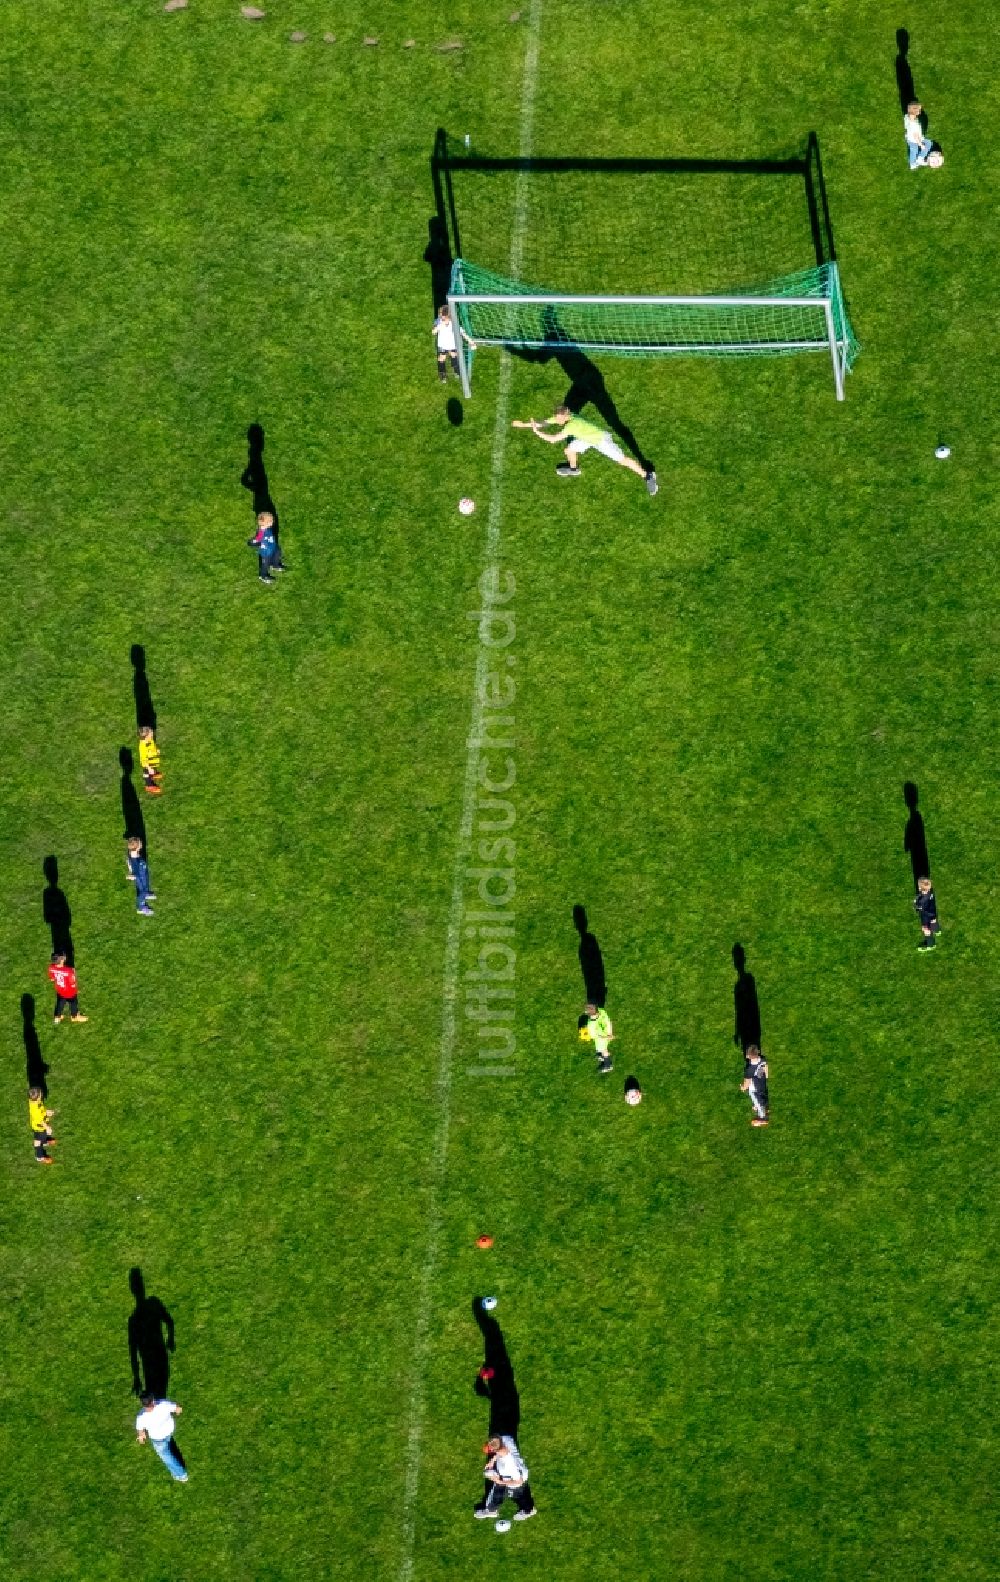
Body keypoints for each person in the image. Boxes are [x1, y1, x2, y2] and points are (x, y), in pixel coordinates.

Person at [513, 407, 657, 494]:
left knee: (623, 461)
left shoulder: (571, 426)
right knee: (569, 450)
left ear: (564, 415)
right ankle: (573, 469)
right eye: (556, 418)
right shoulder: (569, 416)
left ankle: (648, 476)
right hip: (587, 438)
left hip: (601, 440)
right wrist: (524, 425)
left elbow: (552, 439)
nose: (557, 421)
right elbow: (544, 422)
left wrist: (535, 432)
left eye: (558, 419)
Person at [474, 1434, 536, 1521]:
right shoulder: (505, 1439)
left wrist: (501, 1482)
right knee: (499, 1489)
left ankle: (528, 1511)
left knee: (517, 1495)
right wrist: (492, 1461)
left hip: (515, 1478)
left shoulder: (510, 1465)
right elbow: (501, 1451)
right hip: (514, 1472)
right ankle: (492, 1510)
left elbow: (519, 1481)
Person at [135, 1394, 188, 1482]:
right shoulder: (163, 1403)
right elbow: (178, 1409)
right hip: (169, 1431)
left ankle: (181, 1474)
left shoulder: (141, 1416)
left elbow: (141, 1432)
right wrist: (178, 1411)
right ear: (152, 1401)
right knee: (168, 1452)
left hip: (158, 1439)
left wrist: (141, 1438)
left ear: (143, 1404)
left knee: (167, 1458)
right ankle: (176, 1474)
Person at [47, 953, 87, 1024]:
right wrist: (73, 973)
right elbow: (73, 983)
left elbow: (52, 979)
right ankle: (74, 1017)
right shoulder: (69, 970)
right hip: (70, 992)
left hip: (60, 990)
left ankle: (57, 1018)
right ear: (61, 961)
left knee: (60, 1003)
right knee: (73, 1003)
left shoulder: (51, 967)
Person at [580, 1002, 615, 1074]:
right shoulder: (602, 1011)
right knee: (603, 1049)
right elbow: (609, 1022)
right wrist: (610, 1034)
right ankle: (601, 1055)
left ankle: (608, 1065)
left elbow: (596, 1036)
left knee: (603, 1050)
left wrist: (607, 1037)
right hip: (608, 1032)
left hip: (602, 1039)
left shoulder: (591, 1025)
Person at [126, 837, 156, 917]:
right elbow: (134, 871)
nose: (141, 844)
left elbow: (128, 861)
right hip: (140, 878)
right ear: (136, 848)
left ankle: (146, 893)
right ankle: (141, 908)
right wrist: (132, 875)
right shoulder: (134, 859)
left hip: (143, 875)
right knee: (141, 892)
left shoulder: (133, 854)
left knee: (146, 886)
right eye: (140, 843)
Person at [248, 510, 280, 585]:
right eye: (271, 520)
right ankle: (263, 575)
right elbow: (257, 539)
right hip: (266, 551)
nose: (273, 521)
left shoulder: (268, 528)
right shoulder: (261, 532)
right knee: (265, 563)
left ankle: (275, 565)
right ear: (264, 523)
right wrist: (252, 542)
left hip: (272, 546)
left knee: (277, 553)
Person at [741, 1045, 769, 1127]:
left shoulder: (749, 1069)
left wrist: (743, 1088)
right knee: (762, 1094)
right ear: (758, 1053)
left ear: (747, 1056)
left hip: (754, 1088)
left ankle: (762, 1118)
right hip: (762, 1082)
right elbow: (765, 1067)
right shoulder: (763, 1059)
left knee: (757, 1100)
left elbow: (747, 1083)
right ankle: (763, 1106)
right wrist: (766, 1077)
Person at [432, 305, 461, 382]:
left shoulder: (454, 321)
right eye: (440, 314)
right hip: (442, 344)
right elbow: (434, 332)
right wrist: (439, 325)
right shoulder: (438, 321)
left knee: (454, 355)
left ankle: (456, 371)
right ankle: (442, 374)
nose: (441, 316)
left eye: (442, 315)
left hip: (452, 343)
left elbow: (459, 330)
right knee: (442, 357)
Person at [28, 1086, 56, 1164]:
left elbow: (41, 1111)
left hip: (39, 1126)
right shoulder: (35, 1109)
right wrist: (47, 1128)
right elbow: (40, 1121)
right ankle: (39, 1157)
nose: (42, 1094)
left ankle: (44, 1141)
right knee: (38, 1140)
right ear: (37, 1098)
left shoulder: (35, 1101)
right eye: (40, 1094)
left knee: (42, 1136)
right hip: (39, 1127)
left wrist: (46, 1112)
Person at [904, 102, 934, 169]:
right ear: (913, 111)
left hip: (911, 136)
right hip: (913, 140)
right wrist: (921, 145)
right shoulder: (913, 124)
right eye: (918, 110)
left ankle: (920, 158)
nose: (920, 111)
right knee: (914, 151)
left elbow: (906, 126)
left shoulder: (907, 116)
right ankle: (912, 164)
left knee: (928, 143)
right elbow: (915, 136)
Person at [914, 876, 941, 951]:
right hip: (932, 912)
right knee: (933, 920)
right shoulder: (930, 892)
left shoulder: (922, 900)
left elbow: (919, 907)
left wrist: (916, 904)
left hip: (926, 915)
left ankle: (930, 945)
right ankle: (937, 930)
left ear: (920, 889)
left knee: (925, 928)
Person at [138, 725, 163, 796]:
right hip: (148, 764)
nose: (152, 735)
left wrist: (156, 751)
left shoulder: (150, 740)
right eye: (151, 734)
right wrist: (149, 767)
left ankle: (153, 774)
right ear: (145, 737)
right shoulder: (143, 746)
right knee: (147, 772)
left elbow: (152, 747)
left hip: (152, 760)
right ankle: (149, 785)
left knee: (153, 768)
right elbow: (144, 759)